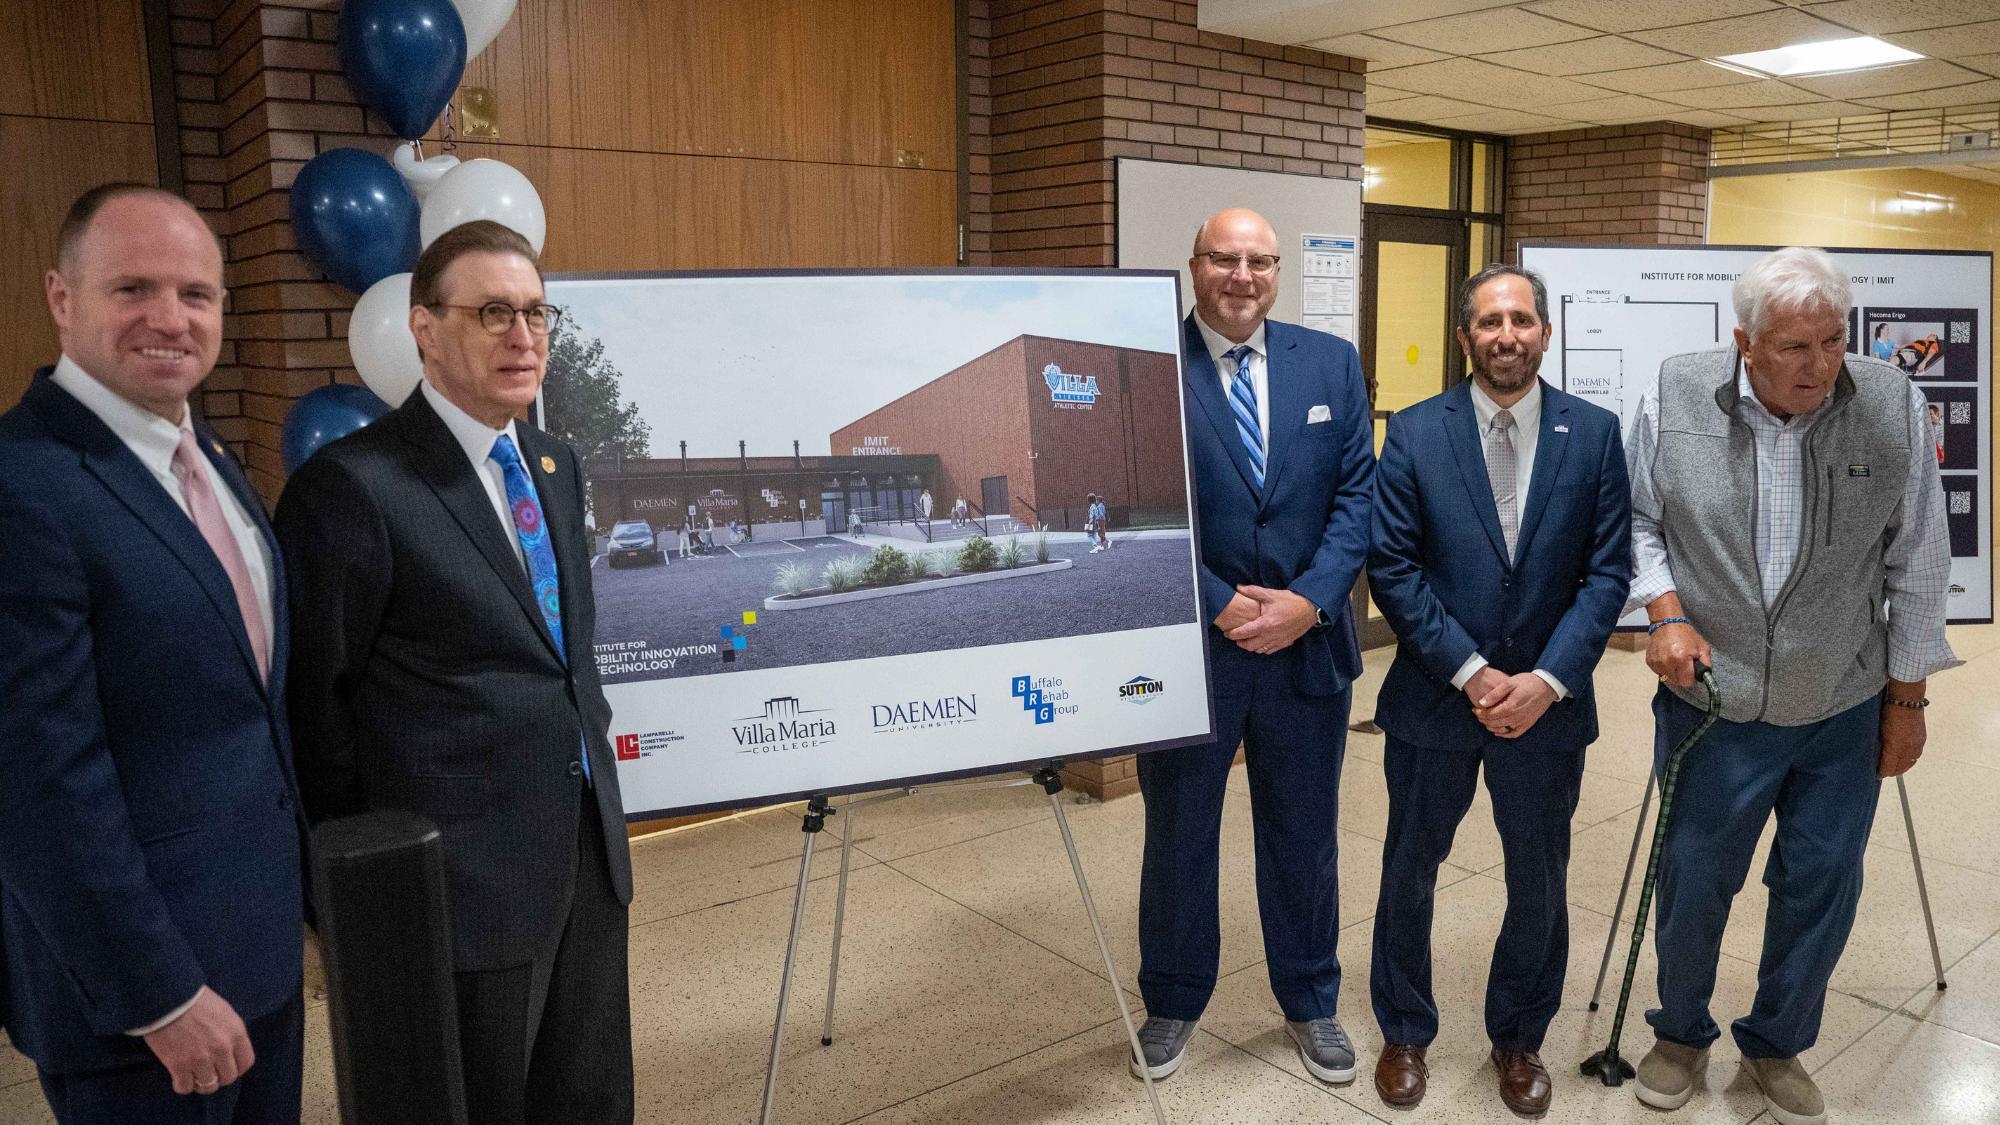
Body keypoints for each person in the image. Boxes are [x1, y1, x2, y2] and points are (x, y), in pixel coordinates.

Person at [275, 221, 634, 1125]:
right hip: (462, 891)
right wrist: (358, 897)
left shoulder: (553, 463)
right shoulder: (355, 486)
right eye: (493, 313)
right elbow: (316, 713)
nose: (523, 336)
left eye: (536, 313)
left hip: (586, 856)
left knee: (588, 1099)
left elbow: (564, 660)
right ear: (425, 329)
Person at [1626, 246, 1957, 1125]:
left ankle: (1777, 1041)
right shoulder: (1675, 391)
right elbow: (1637, 521)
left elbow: (1921, 558)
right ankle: (1680, 1033)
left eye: (1833, 340)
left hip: (1842, 700)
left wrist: (1908, 698)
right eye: (1794, 347)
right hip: (1714, 698)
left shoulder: (1890, 402)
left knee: (1823, 878)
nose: (1820, 365)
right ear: (1744, 342)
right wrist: (1664, 612)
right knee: (1695, 876)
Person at [0, 184, 306, 1124]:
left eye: (196, 294)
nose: (170, 318)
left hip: (257, 961)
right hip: (142, 1014)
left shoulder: (203, 453)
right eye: (133, 288)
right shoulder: (22, 486)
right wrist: (160, 996)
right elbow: (36, 783)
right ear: (61, 297)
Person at [1365, 264, 1631, 1114]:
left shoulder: (1594, 433)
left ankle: (1519, 1037)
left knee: (1539, 879)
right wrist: (1474, 671)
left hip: (1548, 707)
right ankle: (1405, 1028)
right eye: (1489, 321)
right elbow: (1393, 568)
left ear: (1545, 332)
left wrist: (1547, 680)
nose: (1506, 335)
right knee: (1409, 869)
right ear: (1464, 336)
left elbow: (1607, 572)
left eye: (1521, 319)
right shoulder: (1414, 432)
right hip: (1436, 697)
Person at [1131, 208, 1375, 1085]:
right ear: (1194, 265)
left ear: (1278, 271)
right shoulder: (1148, 364)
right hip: (1195, 650)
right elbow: (1137, 501)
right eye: (1224, 259)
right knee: (1180, 833)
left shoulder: (1331, 362)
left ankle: (1310, 998)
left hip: (1307, 649)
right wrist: (1221, 602)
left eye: (1260, 261)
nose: (1242, 276)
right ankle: (1172, 999)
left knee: (1305, 835)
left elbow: (1358, 497)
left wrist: (1309, 601)